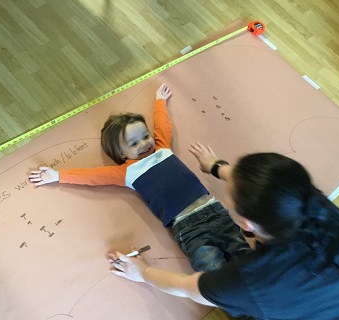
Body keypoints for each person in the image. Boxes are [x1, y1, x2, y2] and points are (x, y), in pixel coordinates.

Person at [109, 144, 339, 320]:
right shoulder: (322, 209)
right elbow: (272, 187)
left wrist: (142, 272)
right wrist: (217, 166)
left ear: (246, 223)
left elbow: (187, 287)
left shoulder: (255, 279)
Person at [29, 84, 251, 272]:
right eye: (134, 144)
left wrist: (159, 102)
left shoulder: (162, 148)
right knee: (213, 272)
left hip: (214, 211)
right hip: (187, 227)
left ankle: (267, 308)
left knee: (247, 260)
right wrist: (58, 176)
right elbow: (92, 177)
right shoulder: (126, 172)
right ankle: (248, 316)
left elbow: (163, 127)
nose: (144, 143)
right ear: (121, 154)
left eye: (145, 136)